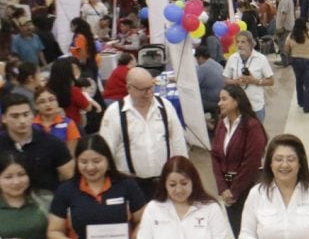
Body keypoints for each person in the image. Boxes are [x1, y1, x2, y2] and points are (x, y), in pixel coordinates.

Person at [210, 85, 268, 239]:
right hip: (229, 190)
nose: (219, 103)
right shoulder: (222, 124)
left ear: (236, 100)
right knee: (239, 234)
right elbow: (215, 155)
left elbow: (252, 162)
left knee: (257, 231)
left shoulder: (251, 126)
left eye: (224, 99)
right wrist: (222, 188)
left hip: (249, 188)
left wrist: (234, 190)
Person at [100, 67, 188, 199]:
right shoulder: (114, 113)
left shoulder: (165, 106)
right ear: (129, 88)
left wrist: (183, 172)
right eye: (143, 90)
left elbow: (178, 141)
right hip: (130, 184)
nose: (149, 93)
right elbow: (106, 152)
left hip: (164, 181)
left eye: (151, 87)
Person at [0, 93, 74, 197]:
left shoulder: (53, 144)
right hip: (5, 208)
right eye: (15, 116)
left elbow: (71, 178)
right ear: (4, 118)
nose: (22, 121)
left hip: (45, 206)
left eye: (26, 114)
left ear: (32, 115)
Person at [223, 30, 275, 122]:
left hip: (255, 105)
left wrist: (255, 81)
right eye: (238, 42)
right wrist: (235, 81)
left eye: (243, 42)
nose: (239, 45)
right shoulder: (232, 58)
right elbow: (226, 79)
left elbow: (271, 81)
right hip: (238, 105)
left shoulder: (261, 59)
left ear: (250, 43)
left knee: (256, 133)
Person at [47, 57, 101, 128]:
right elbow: (88, 108)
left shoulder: (47, 88)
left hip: (52, 125)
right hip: (73, 125)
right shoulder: (74, 91)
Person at [284, 17, 309, 114]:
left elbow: (286, 48)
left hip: (296, 60)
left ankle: (300, 102)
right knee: (308, 84)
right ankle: (307, 107)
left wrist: (291, 55)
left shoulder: (291, 36)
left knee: (299, 81)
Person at [33, 85, 81, 154]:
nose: (48, 104)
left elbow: (71, 154)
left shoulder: (68, 124)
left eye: (51, 100)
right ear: (36, 106)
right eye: (42, 102)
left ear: (57, 102)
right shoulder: (30, 125)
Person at [193, 47, 224, 120]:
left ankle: (202, 123)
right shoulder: (214, 63)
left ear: (200, 57)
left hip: (213, 100)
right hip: (221, 96)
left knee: (190, 102)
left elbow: (193, 84)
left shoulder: (203, 68)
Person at [274, 0, 295, 64]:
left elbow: (284, 13)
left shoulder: (285, 0)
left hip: (285, 26)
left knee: (282, 43)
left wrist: (280, 25)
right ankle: (289, 60)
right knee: (286, 43)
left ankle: (285, 61)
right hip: (289, 24)